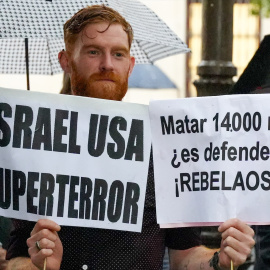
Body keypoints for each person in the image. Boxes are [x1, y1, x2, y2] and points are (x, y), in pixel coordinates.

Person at [6, 5, 255, 270]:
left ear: (131, 64)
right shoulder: (37, 148)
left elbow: (185, 255)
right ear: (66, 60)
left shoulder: (162, 146)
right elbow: (15, 257)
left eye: (118, 54)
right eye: (93, 51)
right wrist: (39, 265)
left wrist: (221, 259)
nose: (107, 64)